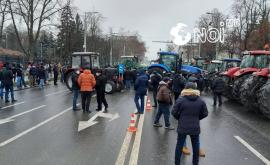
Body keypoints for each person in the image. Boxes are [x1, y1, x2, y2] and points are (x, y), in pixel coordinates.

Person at [172, 82, 208, 165]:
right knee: (195, 146)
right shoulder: (200, 101)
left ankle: (177, 163)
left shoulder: (181, 100)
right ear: (195, 89)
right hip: (195, 126)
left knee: (179, 145)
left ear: (185, 89)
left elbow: (174, 112)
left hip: (182, 126)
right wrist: (197, 118)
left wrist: (179, 118)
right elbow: (205, 113)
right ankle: (195, 163)